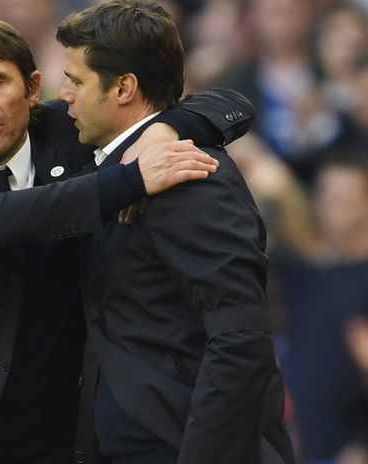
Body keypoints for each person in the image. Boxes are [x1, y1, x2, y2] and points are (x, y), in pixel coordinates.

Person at [0, 17, 256, 464]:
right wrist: (130, 180)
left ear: (34, 88)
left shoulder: (72, 130)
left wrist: (166, 128)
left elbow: (230, 106)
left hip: (58, 435)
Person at [54, 2, 293, 463]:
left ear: (123, 87)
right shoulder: (105, 155)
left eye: (76, 81)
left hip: (176, 444)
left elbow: (240, 340)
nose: (64, 95)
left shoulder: (188, 175)